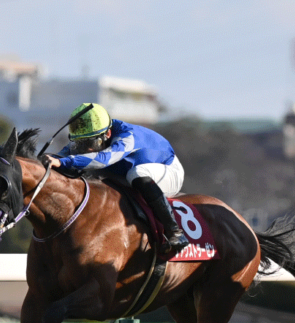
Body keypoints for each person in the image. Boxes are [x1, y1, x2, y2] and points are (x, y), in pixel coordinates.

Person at [44, 103, 190, 254]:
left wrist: (63, 162)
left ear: (107, 134)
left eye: (91, 143)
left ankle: (175, 232)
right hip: (127, 172)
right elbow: (60, 156)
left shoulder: (128, 137)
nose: (86, 149)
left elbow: (103, 159)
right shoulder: (93, 133)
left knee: (135, 173)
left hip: (168, 171)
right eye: (81, 143)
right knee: (91, 172)